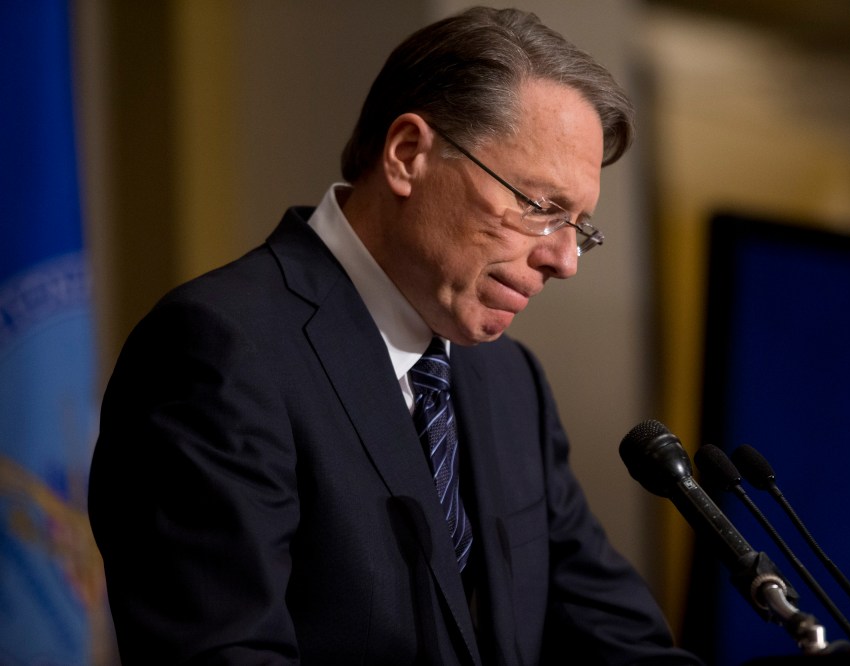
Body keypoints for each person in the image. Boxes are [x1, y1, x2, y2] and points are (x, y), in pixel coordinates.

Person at [88, 7, 702, 665]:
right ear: (409, 155)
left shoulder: (508, 382)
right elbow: (225, 652)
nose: (565, 260)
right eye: (541, 208)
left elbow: (615, 642)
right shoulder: (222, 350)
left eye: (580, 226)